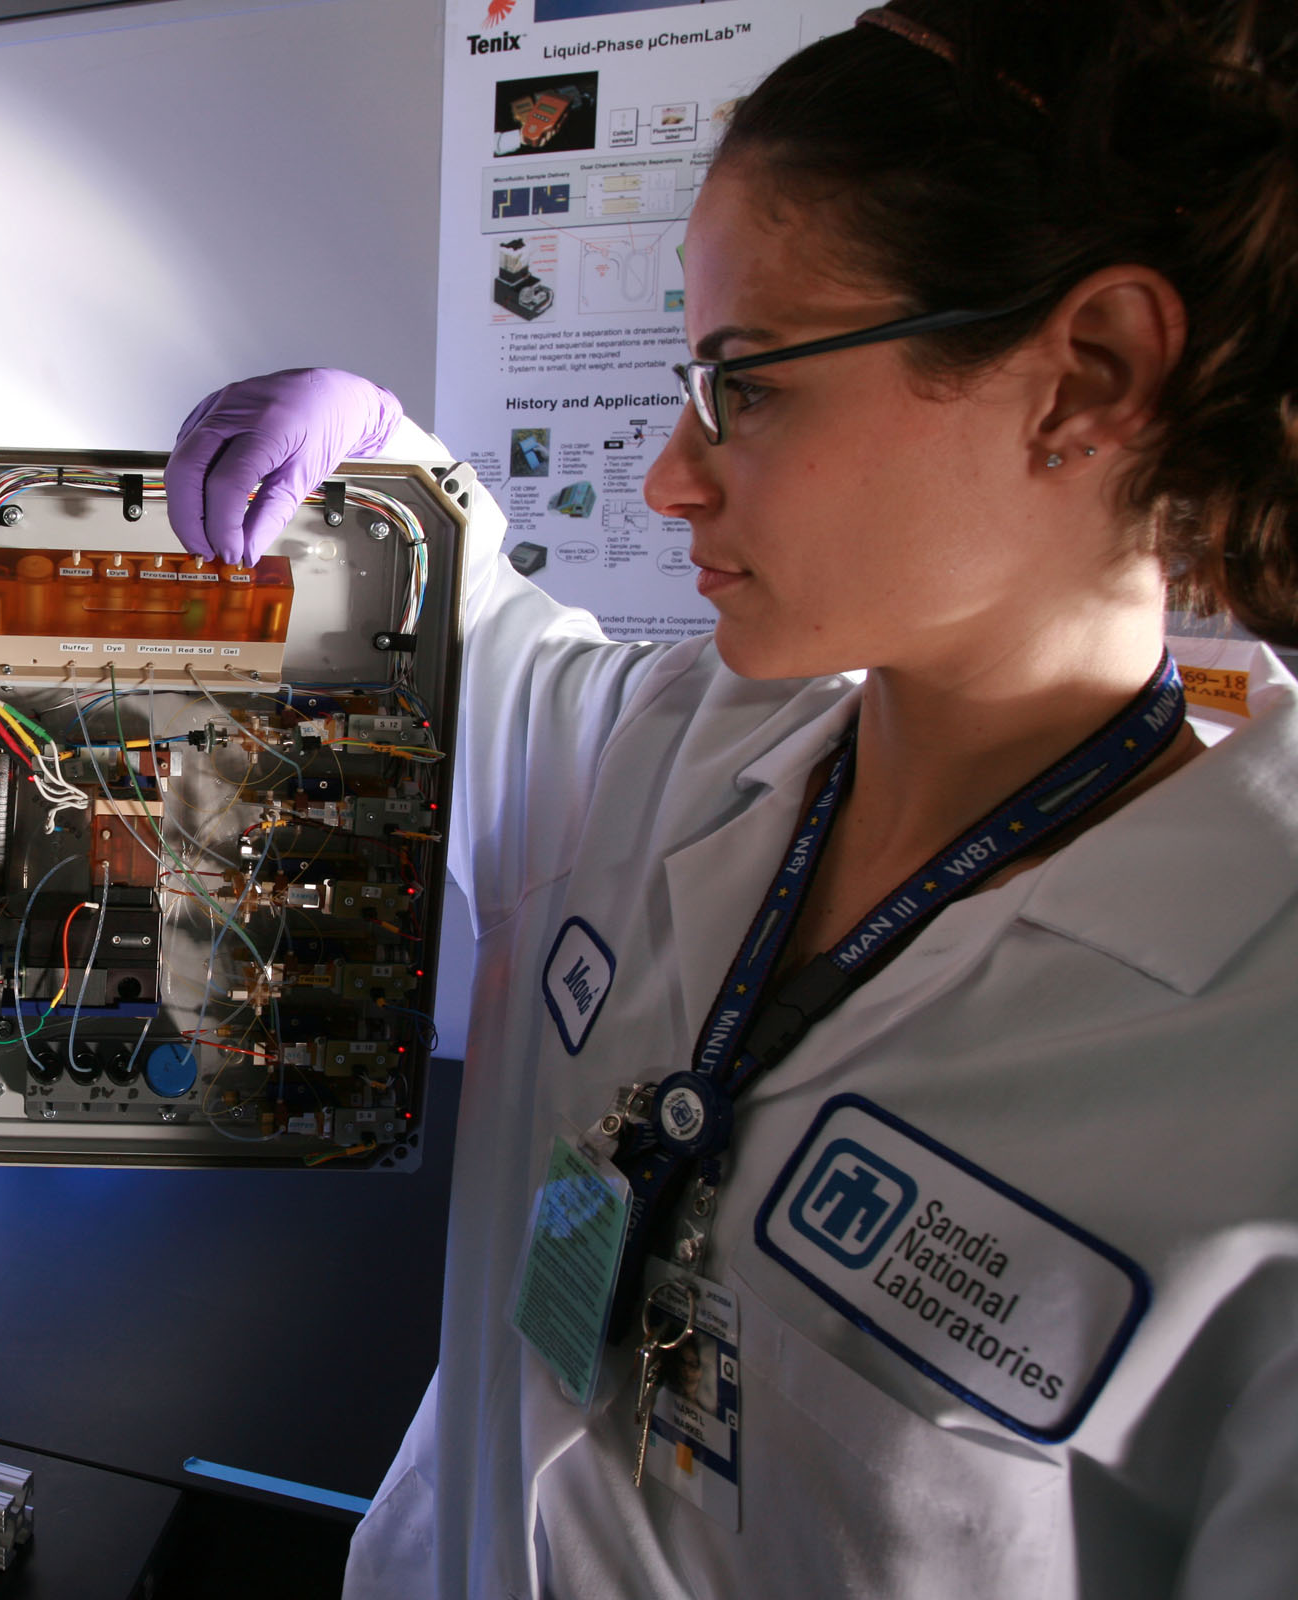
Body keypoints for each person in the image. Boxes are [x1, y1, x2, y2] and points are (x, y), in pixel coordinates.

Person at [162, 3, 1298, 1594]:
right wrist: (379, 465)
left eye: (747, 387)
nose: (667, 481)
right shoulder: (683, 753)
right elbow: (479, 640)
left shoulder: (1256, 1073)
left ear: (1085, 377)